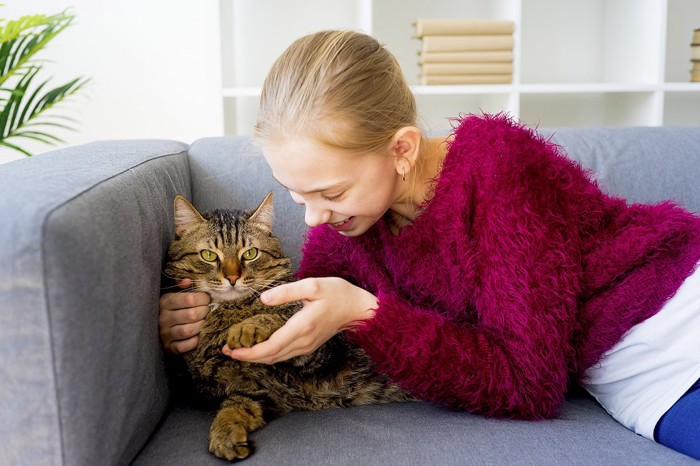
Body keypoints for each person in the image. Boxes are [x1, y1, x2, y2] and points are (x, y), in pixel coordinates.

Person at [159, 30, 700, 459]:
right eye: (297, 195)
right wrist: (203, 320)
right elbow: (313, 346)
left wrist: (366, 314)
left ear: (401, 148)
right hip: (631, 377)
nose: (314, 218)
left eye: (330, 192)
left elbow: (527, 384)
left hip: (678, 314)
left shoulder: (497, 168)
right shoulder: (344, 231)